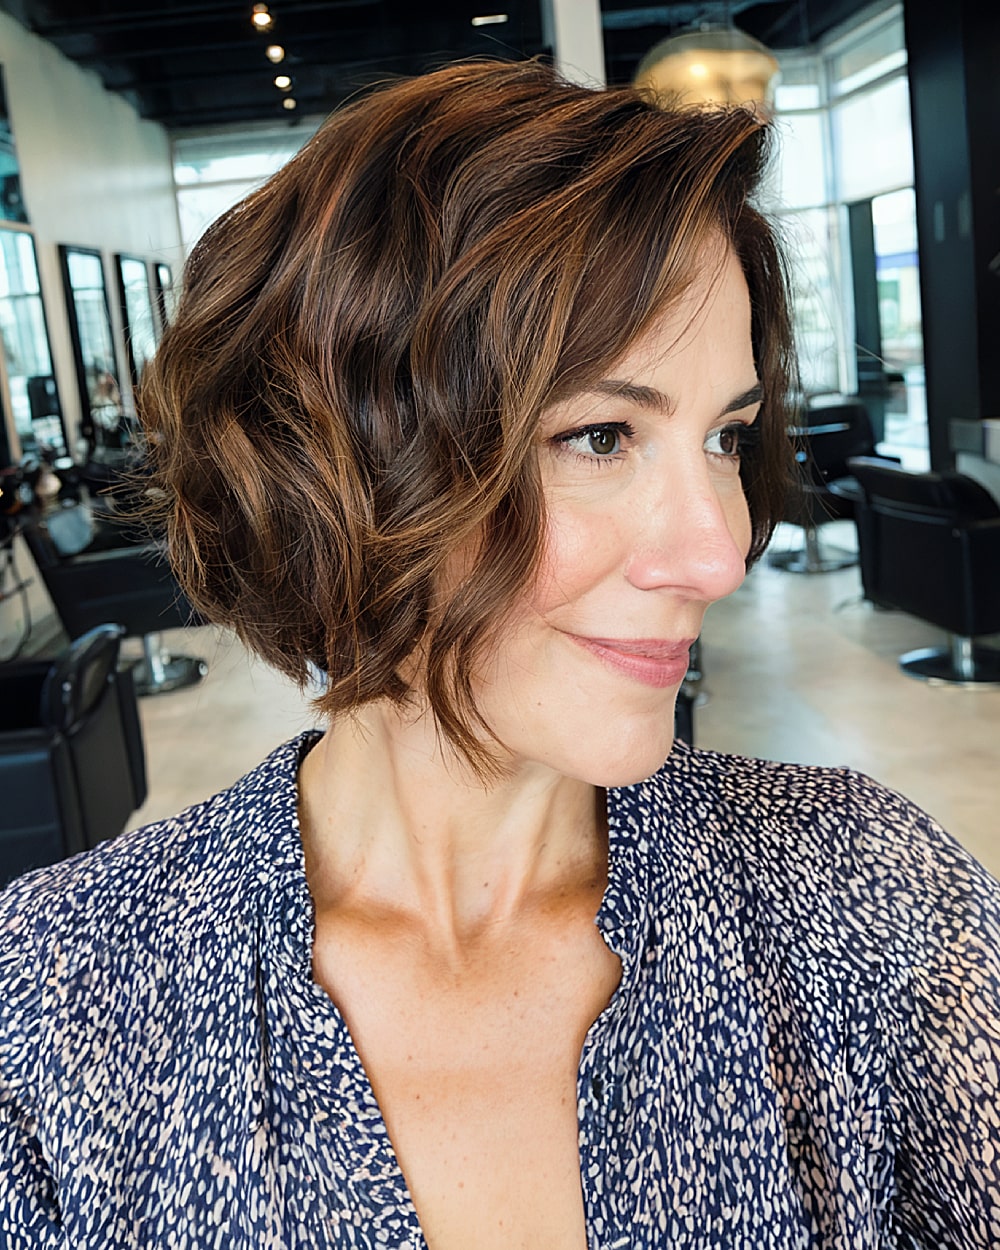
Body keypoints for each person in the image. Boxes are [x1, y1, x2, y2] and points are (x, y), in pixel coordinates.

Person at [1, 60, 998, 1250]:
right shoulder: (59, 999)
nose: (717, 553)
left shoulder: (868, 895)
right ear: (337, 467)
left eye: (725, 436)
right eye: (599, 434)